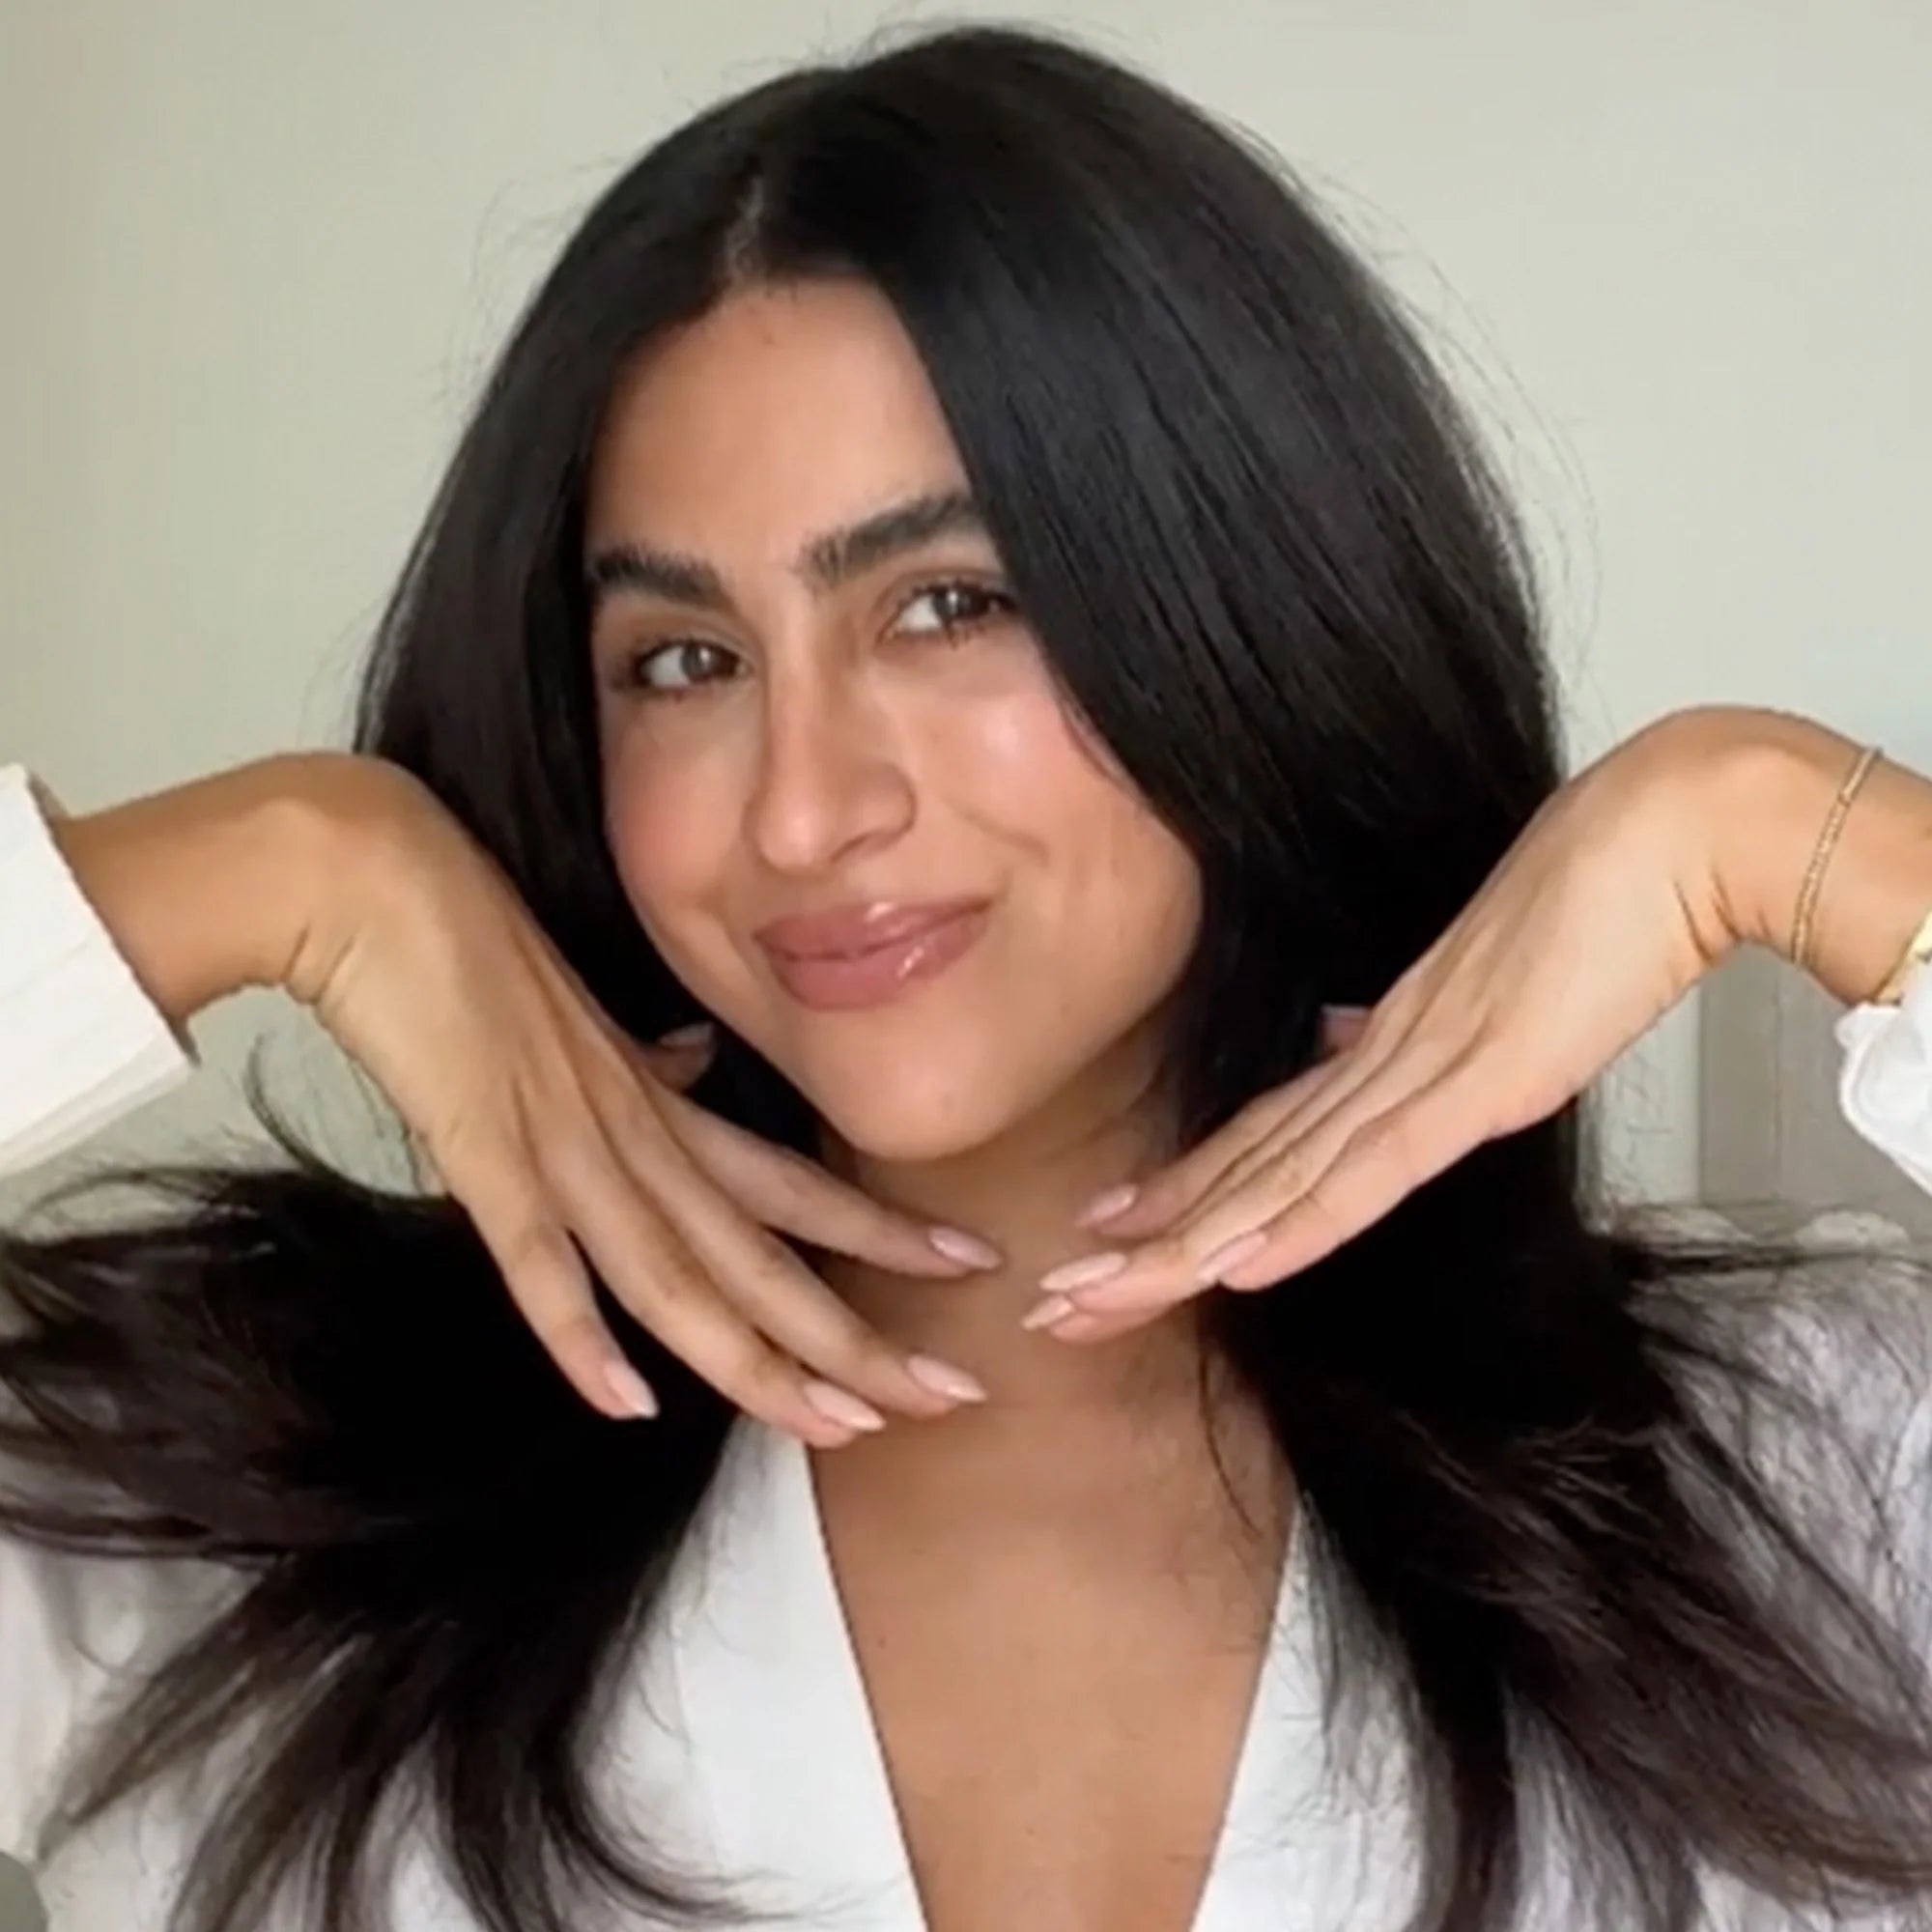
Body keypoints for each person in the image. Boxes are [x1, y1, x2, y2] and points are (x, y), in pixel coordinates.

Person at [2, 21, 1930, 1932]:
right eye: (684, 661)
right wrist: (275, 861)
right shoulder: (209, 1491)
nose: (802, 810)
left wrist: (1776, 824)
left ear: (1251, 615)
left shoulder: (1815, 1481)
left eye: (951, 604)